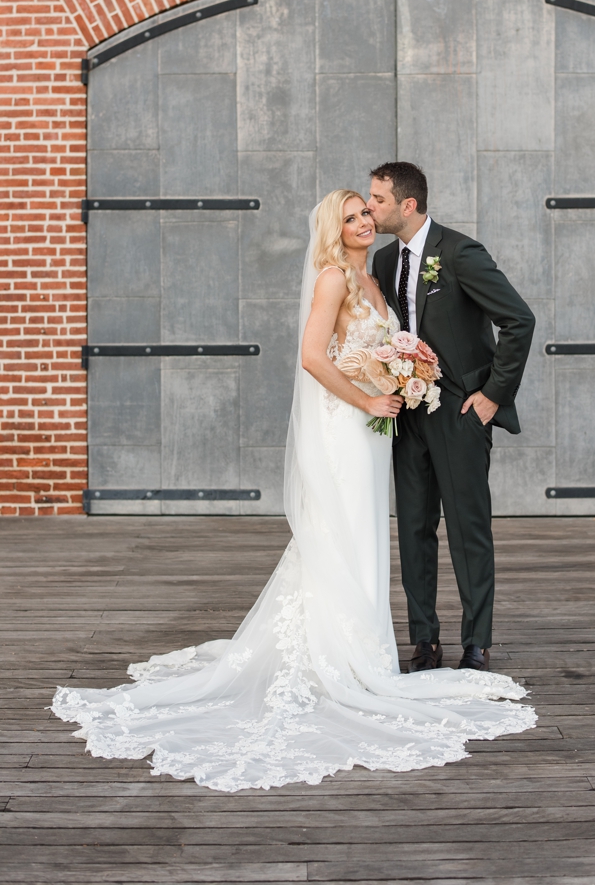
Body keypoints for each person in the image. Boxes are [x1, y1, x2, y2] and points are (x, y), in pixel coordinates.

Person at [51, 190, 535, 792]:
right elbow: (313, 356)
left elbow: (438, 333)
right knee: (368, 532)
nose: (366, 219)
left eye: (371, 208)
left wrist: (442, 384)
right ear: (334, 227)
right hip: (354, 423)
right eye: (354, 214)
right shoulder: (337, 276)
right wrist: (369, 396)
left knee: (394, 532)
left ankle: (446, 646)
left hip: (395, 422)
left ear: (402, 204)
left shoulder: (386, 271)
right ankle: (384, 649)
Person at [368, 163, 535, 675]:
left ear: (408, 205)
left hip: (460, 413)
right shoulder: (382, 260)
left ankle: (477, 642)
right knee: (414, 529)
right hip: (404, 414)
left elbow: (519, 320)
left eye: (377, 199)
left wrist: (490, 396)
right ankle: (424, 641)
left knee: (468, 529)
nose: (370, 207)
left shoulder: (459, 253)